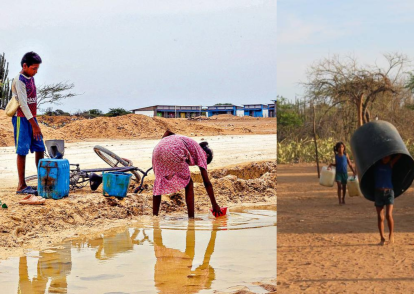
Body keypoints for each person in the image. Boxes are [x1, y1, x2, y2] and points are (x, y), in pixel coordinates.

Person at [152, 130, 222, 218]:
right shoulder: (202, 153)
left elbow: (167, 132)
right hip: (174, 150)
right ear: (207, 156)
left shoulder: (191, 144)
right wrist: (214, 204)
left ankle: (155, 216)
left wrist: (164, 148)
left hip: (157, 149)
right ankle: (191, 218)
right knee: (189, 184)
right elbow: (206, 182)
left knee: (159, 182)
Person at [11, 52, 45, 195]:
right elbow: (23, 104)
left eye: (37, 69)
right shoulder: (19, 80)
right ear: (25, 66)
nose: (36, 72)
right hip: (21, 118)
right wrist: (35, 125)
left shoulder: (30, 77)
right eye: (33, 68)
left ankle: (42, 181)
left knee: (40, 148)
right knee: (22, 150)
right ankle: (21, 185)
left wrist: (35, 121)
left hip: (32, 117)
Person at [374, 154, 401, 245]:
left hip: (389, 192)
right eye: (384, 156)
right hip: (378, 193)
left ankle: (391, 234)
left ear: (390, 157)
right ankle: (382, 238)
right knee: (380, 217)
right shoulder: (376, 164)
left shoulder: (390, 164)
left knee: (388, 215)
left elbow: (399, 155)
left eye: (387, 157)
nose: (385, 158)